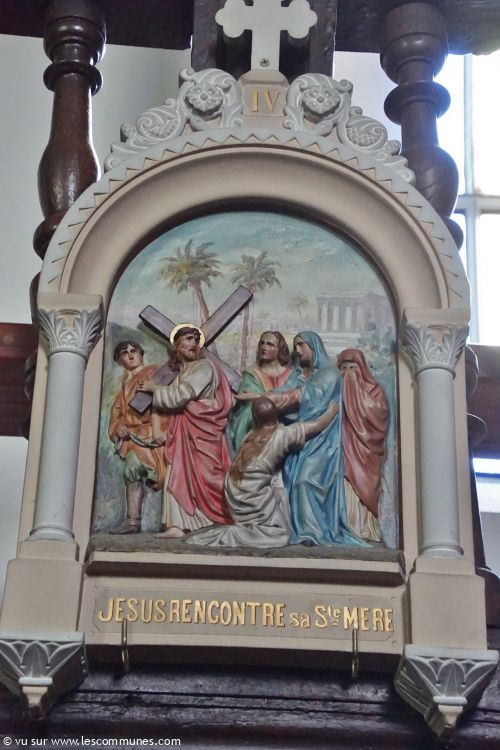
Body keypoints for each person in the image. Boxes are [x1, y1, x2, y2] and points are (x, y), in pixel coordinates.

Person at [239, 332, 367, 547]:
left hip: (323, 441)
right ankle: (297, 529)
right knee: (289, 481)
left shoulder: (329, 374)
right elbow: (285, 390)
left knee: (305, 481)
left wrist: (268, 398)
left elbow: (303, 396)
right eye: (295, 346)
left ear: (314, 346)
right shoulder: (299, 375)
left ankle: (311, 533)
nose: (297, 351)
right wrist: (267, 397)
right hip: (300, 440)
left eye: (301, 345)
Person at [185, 397, 339, 548]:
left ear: (255, 418)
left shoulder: (251, 434)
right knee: (280, 535)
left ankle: (252, 524)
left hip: (234, 490)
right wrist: (331, 412)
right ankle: (233, 534)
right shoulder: (282, 434)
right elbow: (318, 425)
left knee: (280, 494)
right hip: (251, 493)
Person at [138, 324, 233, 538]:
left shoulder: (204, 367)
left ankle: (218, 517)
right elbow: (176, 398)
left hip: (204, 430)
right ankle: (176, 525)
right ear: (177, 345)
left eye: (196, 340)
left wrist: (155, 389)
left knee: (209, 475)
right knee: (177, 470)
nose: (193, 344)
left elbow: (182, 395)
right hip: (183, 430)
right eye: (188, 339)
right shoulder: (182, 372)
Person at [108, 341, 169, 534]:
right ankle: (133, 521)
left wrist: (158, 430)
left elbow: (163, 402)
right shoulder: (125, 385)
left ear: (141, 354)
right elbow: (117, 414)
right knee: (132, 469)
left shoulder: (153, 374)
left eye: (134, 351)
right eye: (125, 353)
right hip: (134, 439)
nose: (130, 355)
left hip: (152, 435)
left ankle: (167, 522)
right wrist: (118, 428)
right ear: (120, 359)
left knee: (156, 472)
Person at [337, 348, 389, 542]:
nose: (348, 373)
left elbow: (380, 416)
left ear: (362, 369)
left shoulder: (375, 391)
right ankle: (345, 526)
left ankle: (366, 528)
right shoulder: (336, 391)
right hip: (344, 447)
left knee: (364, 488)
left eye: (352, 368)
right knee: (345, 485)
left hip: (367, 453)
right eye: (343, 368)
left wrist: (356, 396)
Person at [226, 331, 292, 457]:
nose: (264, 347)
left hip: (287, 423)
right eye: (262, 343)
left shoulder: (292, 375)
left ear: (280, 349)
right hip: (258, 425)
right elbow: (244, 408)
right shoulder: (251, 375)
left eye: (270, 344)